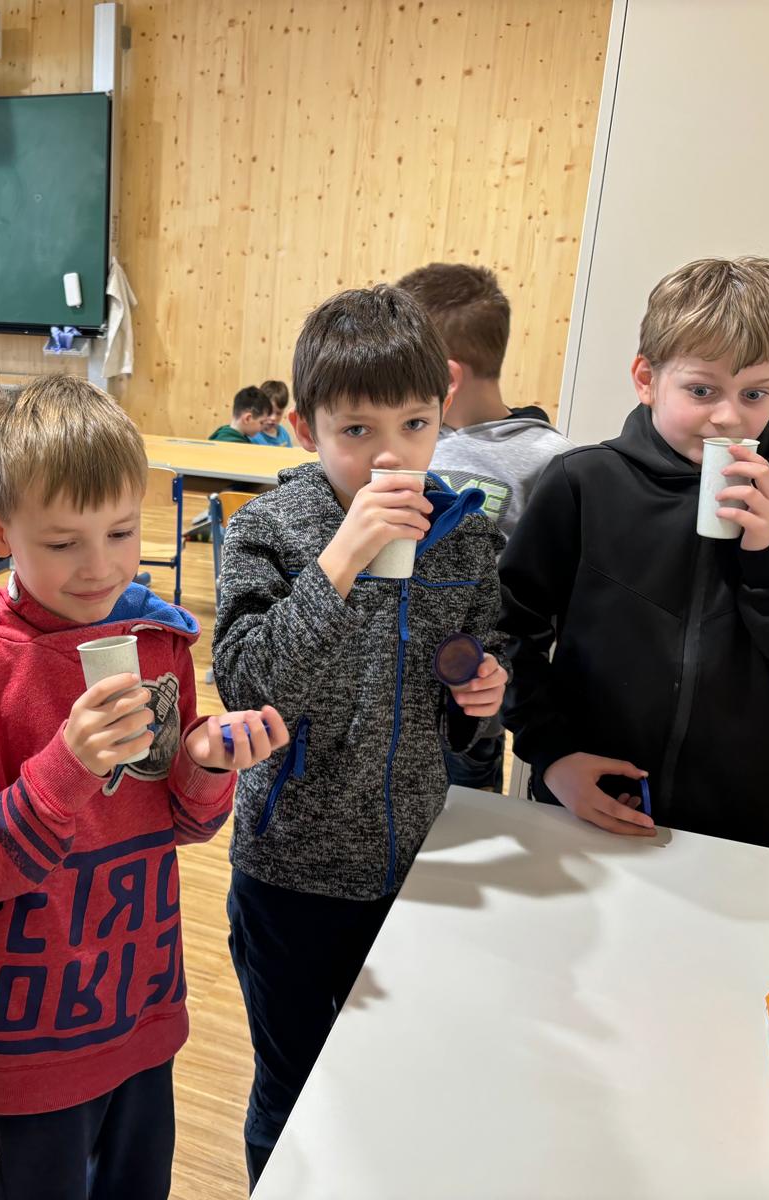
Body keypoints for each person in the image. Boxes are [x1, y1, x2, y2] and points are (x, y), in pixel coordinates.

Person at [0, 373, 287, 1200]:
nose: (100, 567)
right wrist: (67, 767)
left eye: (122, 532)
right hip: (32, 1034)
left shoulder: (158, 643)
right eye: (62, 543)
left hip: (143, 1003)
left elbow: (181, 822)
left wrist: (206, 763)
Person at [212, 285, 506, 1190]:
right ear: (306, 429)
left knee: (396, 1082)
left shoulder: (463, 537)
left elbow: (473, 682)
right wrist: (341, 559)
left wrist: (482, 691)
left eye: (415, 425)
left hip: (414, 868)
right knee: (294, 1091)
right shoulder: (268, 531)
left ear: (443, 411)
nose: (390, 454)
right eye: (356, 432)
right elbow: (248, 684)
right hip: (290, 872)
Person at [500, 256, 769, 844]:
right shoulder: (583, 483)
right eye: (701, 390)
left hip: (736, 815)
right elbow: (509, 630)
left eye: (755, 393)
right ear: (646, 379)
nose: (729, 416)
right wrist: (552, 753)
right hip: (589, 794)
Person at [396, 262, 574, 792]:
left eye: (402, 368)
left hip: (469, 711)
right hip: (382, 698)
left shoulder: (553, 462)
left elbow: (551, 602)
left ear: (447, 378)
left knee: (462, 827)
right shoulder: (402, 442)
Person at [249, 380, 294, 447]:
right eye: (269, 412)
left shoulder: (284, 434)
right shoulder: (252, 435)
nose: (273, 418)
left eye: (278, 413)